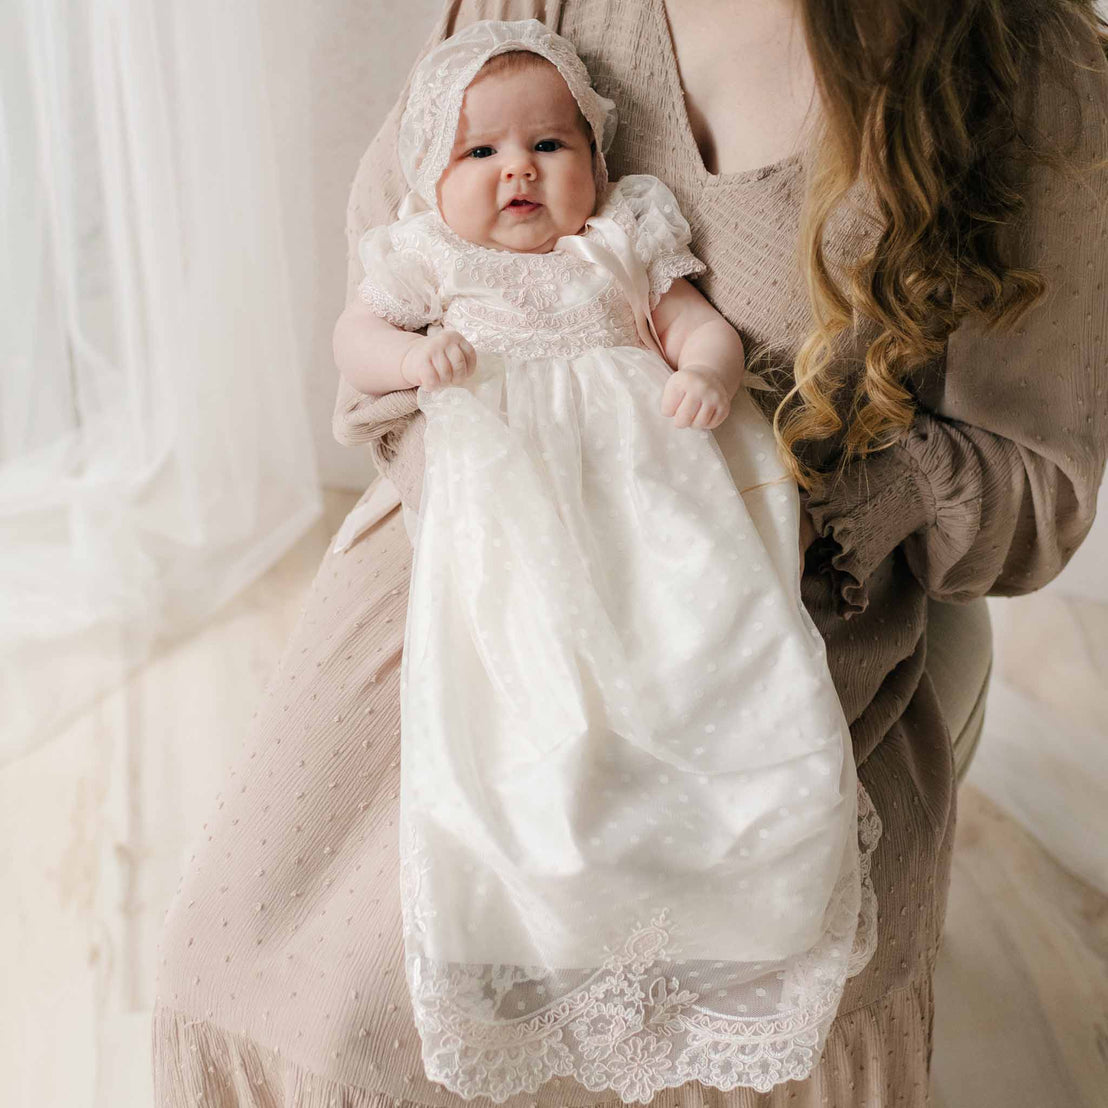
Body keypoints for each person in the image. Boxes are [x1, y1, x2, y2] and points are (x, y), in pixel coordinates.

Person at [152, 1, 1108, 1105]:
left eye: (547, 146)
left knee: (728, 964)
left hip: (753, 596)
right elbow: (383, 308)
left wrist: (765, 477)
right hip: (474, 558)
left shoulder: (1018, 66)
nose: (519, 167)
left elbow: (1033, 491)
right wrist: (509, 515)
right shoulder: (532, 17)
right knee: (275, 981)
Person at [330, 19, 881, 1101]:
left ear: (595, 156)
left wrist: (709, 374)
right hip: (511, 524)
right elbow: (354, 338)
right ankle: (546, 910)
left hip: (654, 511)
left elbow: (694, 325)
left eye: (550, 143)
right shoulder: (432, 258)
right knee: (524, 706)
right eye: (478, 152)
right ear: (432, 178)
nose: (518, 170)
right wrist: (410, 353)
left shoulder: (621, 239)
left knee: (698, 659)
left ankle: (724, 874)